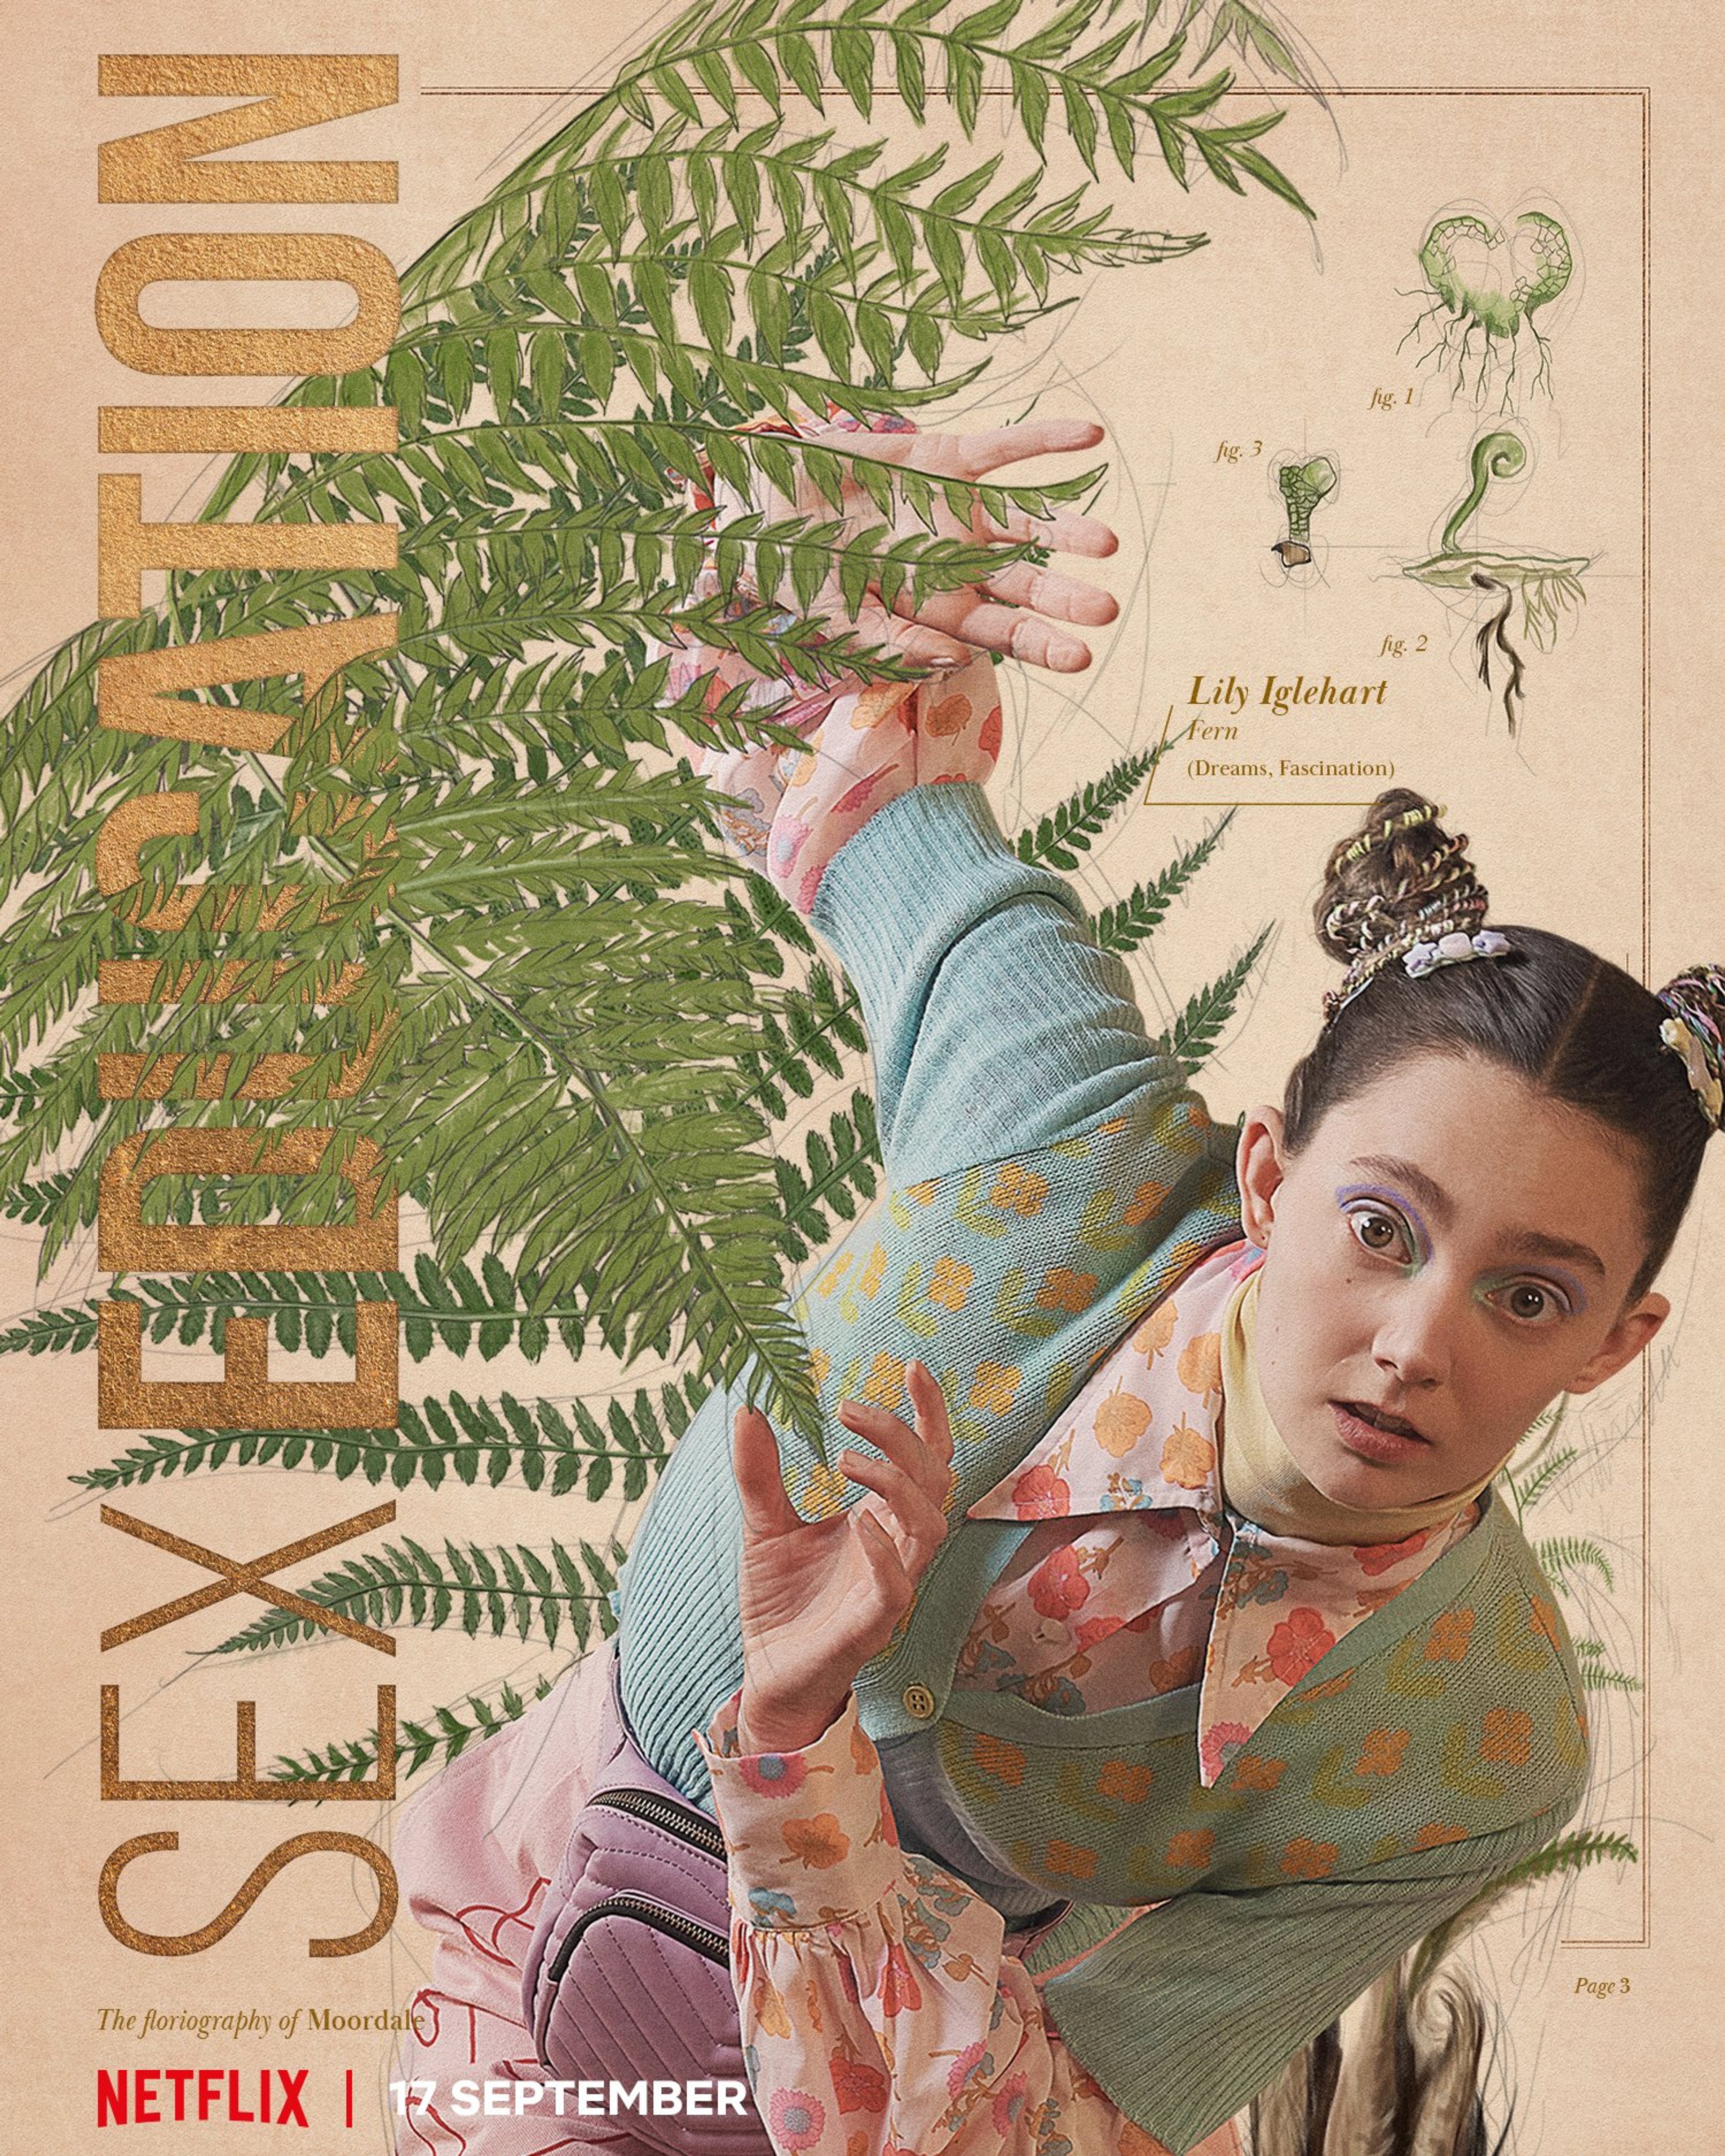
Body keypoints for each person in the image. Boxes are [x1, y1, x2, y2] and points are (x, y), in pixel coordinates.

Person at [392, 417, 1724, 2156]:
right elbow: (810, 715)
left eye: (1530, 1297)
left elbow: (1057, 2132)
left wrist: (802, 1749)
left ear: (1619, 1346)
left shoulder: (1476, 1748)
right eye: (1381, 1229)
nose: (1414, 1344)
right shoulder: (1065, 1128)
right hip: (541, 1872)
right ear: (1267, 1175)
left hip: (895, 2076)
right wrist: (792, 524)